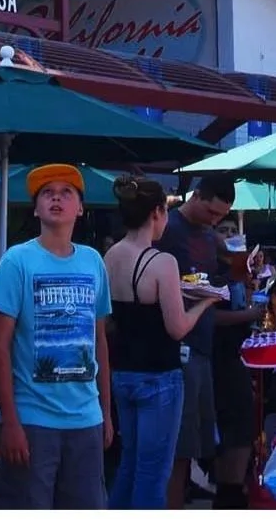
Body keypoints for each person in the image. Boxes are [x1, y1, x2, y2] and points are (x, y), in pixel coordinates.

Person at [0, 164, 112, 509]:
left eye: (66, 191)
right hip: (32, 420)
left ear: (80, 208)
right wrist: (9, 421)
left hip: (86, 420)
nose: (57, 197)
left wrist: (107, 412)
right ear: (37, 207)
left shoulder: (93, 261)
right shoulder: (17, 261)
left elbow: (100, 341)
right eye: (47, 192)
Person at [104, 176, 216, 509]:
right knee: (154, 474)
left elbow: (111, 319)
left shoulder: (110, 256)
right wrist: (206, 302)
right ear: (156, 213)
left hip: (123, 374)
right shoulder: (162, 261)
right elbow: (177, 327)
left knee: (128, 466)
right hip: (159, 377)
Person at [159, 171, 253, 509]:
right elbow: (187, 287)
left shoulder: (207, 235)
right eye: (212, 213)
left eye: (221, 215)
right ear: (195, 196)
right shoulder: (169, 229)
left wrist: (235, 274)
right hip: (178, 347)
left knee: (192, 446)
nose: (216, 220)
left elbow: (209, 282)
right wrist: (228, 283)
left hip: (201, 345)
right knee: (178, 448)